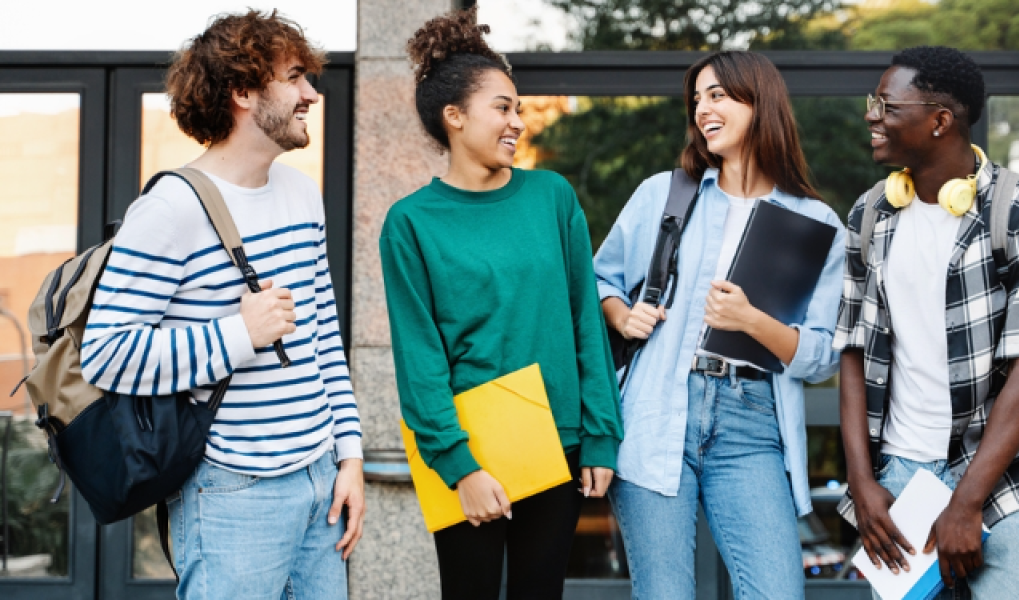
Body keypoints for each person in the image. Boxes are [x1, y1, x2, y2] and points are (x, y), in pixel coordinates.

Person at [79, 10, 365, 599]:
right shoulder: (170, 210)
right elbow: (105, 355)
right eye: (294, 77)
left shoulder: (301, 194)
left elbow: (323, 337)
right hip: (234, 492)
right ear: (242, 91)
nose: (312, 93)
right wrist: (238, 333)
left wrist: (349, 456)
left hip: (320, 485)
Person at [378, 8, 623, 599]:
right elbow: (421, 360)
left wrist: (600, 436)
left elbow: (583, 322)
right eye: (503, 107)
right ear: (454, 117)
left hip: (559, 445)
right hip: (471, 450)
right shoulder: (410, 223)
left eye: (518, 107)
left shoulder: (552, 197)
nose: (518, 120)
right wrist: (460, 467)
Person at [593, 50, 846, 599]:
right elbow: (599, 281)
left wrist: (751, 321)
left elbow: (823, 355)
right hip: (659, 410)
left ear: (760, 103)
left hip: (752, 425)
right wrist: (623, 314)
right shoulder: (664, 194)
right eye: (697, 99)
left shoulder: (815, 222)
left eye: (718, 96)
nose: (702, 109)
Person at [834, 46, 1019, 598]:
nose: (872, 116)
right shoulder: (869, 214)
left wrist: (966, 502)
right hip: (898, 482)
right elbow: (852, 351)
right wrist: (862, 482)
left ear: (941, 121)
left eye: (887, 106)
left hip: (1002, 481)